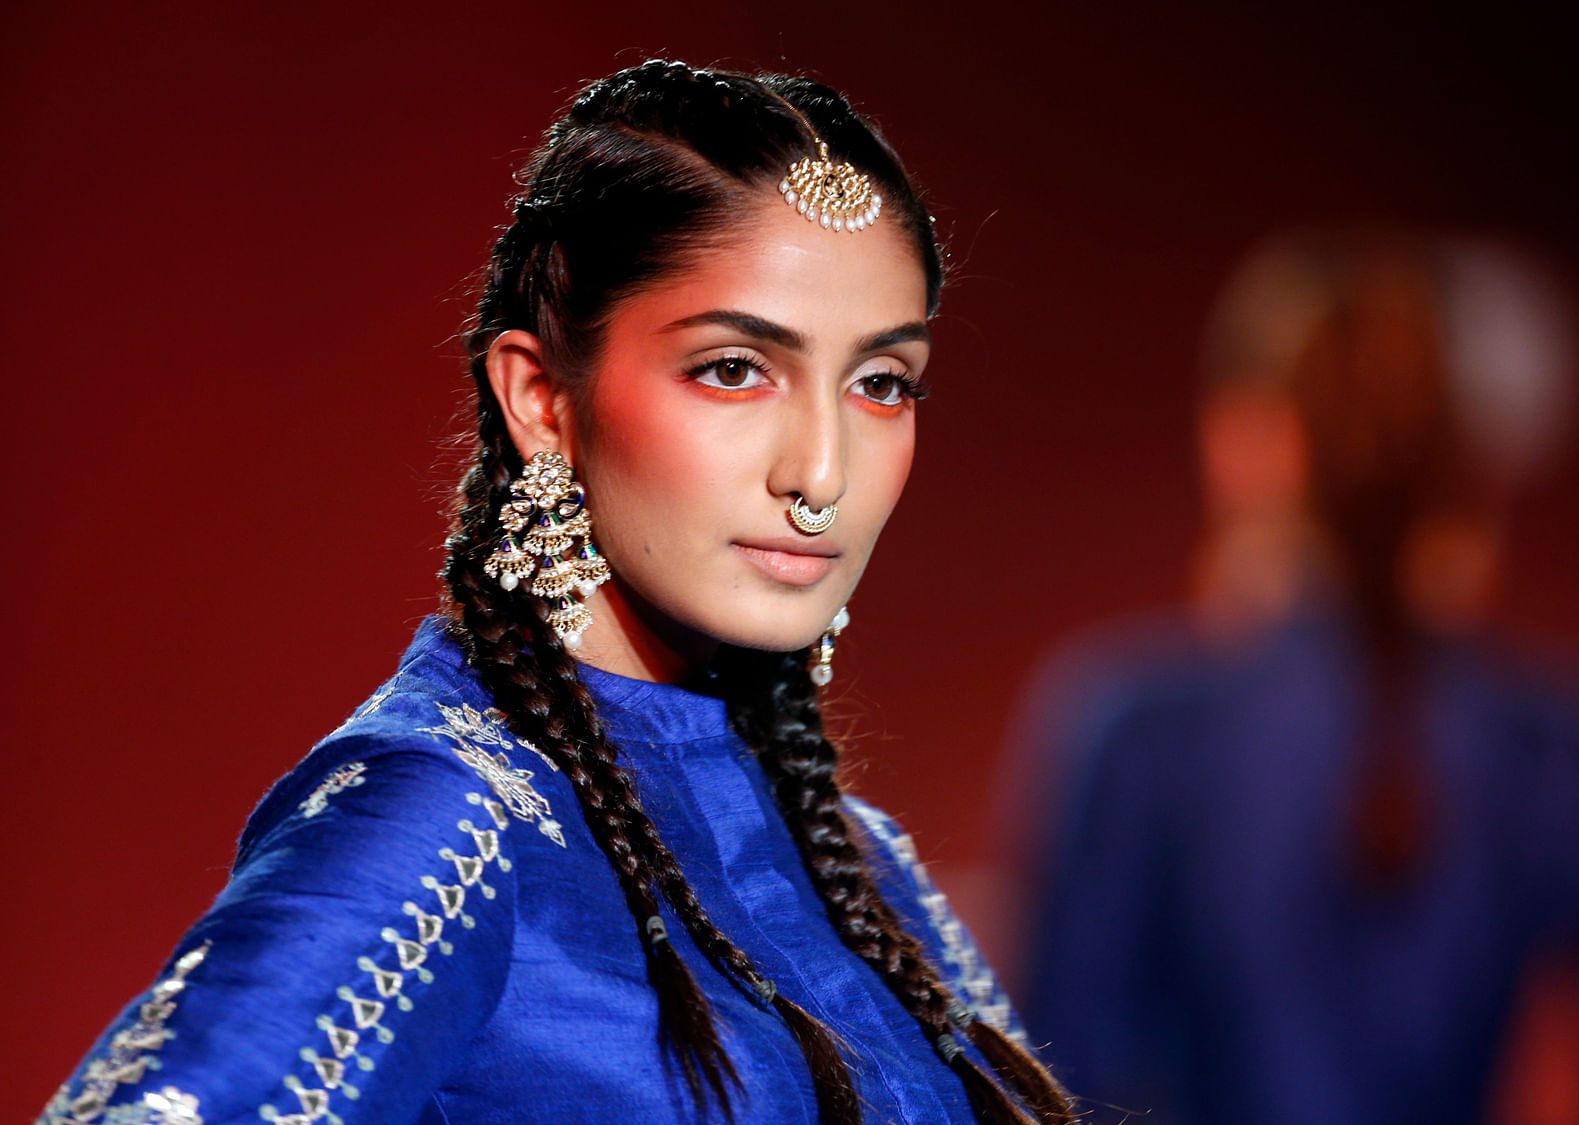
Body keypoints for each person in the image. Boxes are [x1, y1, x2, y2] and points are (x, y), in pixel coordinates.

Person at [39, 59, 1070, 1125]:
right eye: (732, 368)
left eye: (880, 384)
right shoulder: (445, 817)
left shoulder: (862, 869)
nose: (822, 472)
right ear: (541, 398)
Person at [1016, 228, 1579, 1124]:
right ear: (1461, 461)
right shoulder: (1566, 749)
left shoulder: (1139, 732)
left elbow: (1058, 1077)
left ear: (1244, 441)